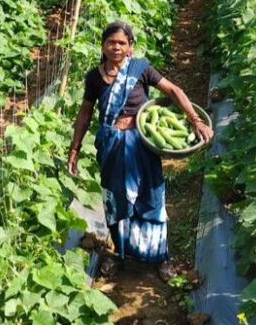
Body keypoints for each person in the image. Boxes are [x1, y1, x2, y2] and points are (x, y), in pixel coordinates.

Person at [66, 21, 214, 282]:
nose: (116, 47)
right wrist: (75, 148)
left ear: (130, 47)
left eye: (122, 43)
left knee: (150, 196)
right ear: (103, 45)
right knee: (116, 199)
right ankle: (119, 253)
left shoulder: (140, 69)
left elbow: (173, 90)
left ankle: (160, 257)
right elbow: (85, 114)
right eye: (111, 42)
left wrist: (195, 119)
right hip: (112, 146)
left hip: (141, 144)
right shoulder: (94, 77)